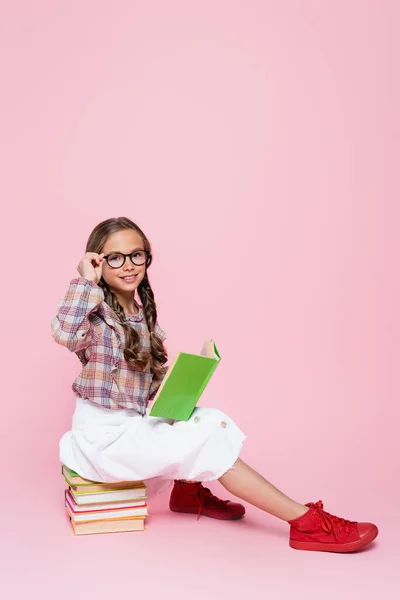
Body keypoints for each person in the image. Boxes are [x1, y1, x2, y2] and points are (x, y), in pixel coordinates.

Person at [52, 216, 378, 553]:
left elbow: (138, 385)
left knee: (206, 417)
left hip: (130, 425)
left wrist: (179, 385)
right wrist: (84, 280)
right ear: (97, 262)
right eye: (115, 258)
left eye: (137, 255)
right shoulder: (94, 313)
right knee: (206, 437)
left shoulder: (138, 310)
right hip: (103, 440)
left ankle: (188, 492)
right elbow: (64, 332)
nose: (129, 265)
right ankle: (306, 523)